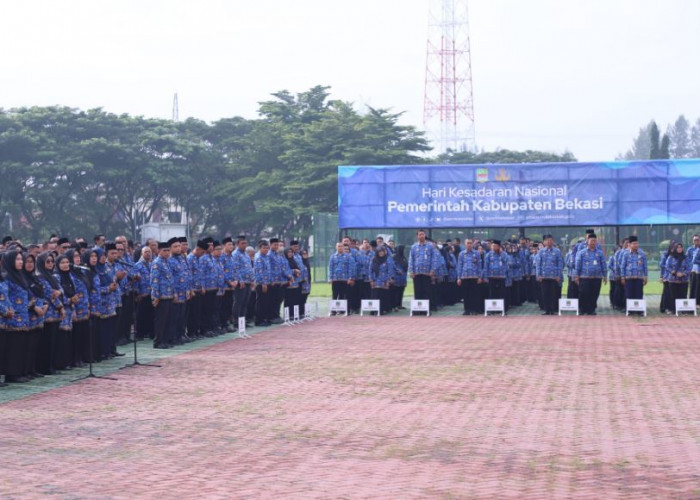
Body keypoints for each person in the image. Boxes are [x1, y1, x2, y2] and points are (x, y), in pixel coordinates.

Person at [574, 233, 607, 315]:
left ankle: (591, 310)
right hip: (584, 277)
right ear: (587, 241)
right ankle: (582, 309)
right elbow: (578, 265)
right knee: (583, 293)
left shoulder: (599, 253)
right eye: (591, 240)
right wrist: (576, 276)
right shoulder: (582, 252)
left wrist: (605, 275)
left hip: (597, 277)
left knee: (594, 293)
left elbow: (603, 264)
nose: (593, 242)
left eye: (595, 241)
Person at [151, 242, 174, 348]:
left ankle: (166, 339)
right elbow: (154, 280)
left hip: (169, 294)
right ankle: (158, 341)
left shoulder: (167, 262)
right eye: (164, 250)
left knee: (168, 319)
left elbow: (171, 278)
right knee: (161, 320)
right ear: (159, 251)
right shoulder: (157, 262)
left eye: (168, 250)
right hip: (161, 295)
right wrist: (155, 296)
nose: (167, 252)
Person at [535, 235, 563, 315]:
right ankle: (546, 310)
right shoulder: (541, 251)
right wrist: (538, 275)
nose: (549, 242)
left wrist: (558, 275)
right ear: (544, 242)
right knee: (545, 293)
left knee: (553, 294)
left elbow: (560, 264)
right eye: (547, 240)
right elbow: (538, 265)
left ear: (553, 241)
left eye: (550, 240)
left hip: (554, 277)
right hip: (544, 276)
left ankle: (552, 309)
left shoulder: (557, 251)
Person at [408, 229, 436, 304]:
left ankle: (426, 309)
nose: (421, 236)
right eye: (419, 234)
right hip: (416, 273)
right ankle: (418, 310)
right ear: (417, 236)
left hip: (427, 273)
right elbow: (411, 259)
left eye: (422, 234)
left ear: (425, 235)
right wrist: (411, 271)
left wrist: (432, 270)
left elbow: (433, 259)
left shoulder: (430, 246)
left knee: (427, 291)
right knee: (417, 291)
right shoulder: (414, 247)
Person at [232, 236, 254, 329]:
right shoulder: (235, 254)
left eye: (245, 243)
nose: (244, 245)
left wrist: (252, 280)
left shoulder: (246, 254)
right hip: (241, 282)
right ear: (238, 244)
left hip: (248, 281)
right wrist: (240, 280)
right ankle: (236, 322)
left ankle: (242, 321)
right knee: (238, 302)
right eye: (242, 243)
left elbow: (249, 267)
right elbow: (235, 268)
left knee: (245, 303)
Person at [132, 245, 154, 341]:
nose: (148, 253)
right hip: (142, 294)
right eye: (146, 252)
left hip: (151, 293)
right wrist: (137, 293)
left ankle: (148, 332)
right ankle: (139, 334)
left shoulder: (152, 264)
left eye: (149, 252)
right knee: (141, 315)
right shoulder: (138, 265)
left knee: (150, 315)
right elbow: (136, 280)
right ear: (142, 254)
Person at [457, 238, 483, 315]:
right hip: (464, 277)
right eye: (468, 243)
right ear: (465, 244)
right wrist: (459, 277)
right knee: (466, 294)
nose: (469, 244)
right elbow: (459, 266)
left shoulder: (477, 253)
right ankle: (467, 309)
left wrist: (480, 277)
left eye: (470, 243)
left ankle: (474, 309)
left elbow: (479, 265)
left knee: (474, 294)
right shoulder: (462, 254)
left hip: (474, 276)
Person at [482, 240, 510, 310]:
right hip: (491, 276)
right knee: (492, 293)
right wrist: (485, 277)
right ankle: (492, 309)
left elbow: (506, 263)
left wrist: (501, 253)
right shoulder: (488, 255)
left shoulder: (504, 254)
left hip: (501, 276)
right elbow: (486, 266)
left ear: (499, 247)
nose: (493, 247)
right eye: (493, 246)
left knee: (502, 293)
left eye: (495, 246)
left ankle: (502, 309)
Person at [620, 235, 647, 304]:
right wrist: (622, 277)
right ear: (629, 244)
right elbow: (623, 266)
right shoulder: (625, 254)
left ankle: (639, 310)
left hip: (639, 277)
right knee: (629, 294)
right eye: (634, 244)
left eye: (637, 243)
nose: (636, 245)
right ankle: (630, 310)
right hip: (629, 278)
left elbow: (645, 266)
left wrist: (645, 276)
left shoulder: (642, 253)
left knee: (639, 294)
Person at [665, 242, 691, 314]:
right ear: (675, 248)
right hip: (673, 280)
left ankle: (683, 310)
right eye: (678, 247)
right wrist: (675, 273)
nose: (679, 249)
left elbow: (689, 267)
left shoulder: (685, 257)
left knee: (683, 295)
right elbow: (667, 266)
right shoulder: (671, 257)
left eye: (681, 247)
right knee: (673, 295)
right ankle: (673, 310)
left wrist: (683, 273)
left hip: (683, 280)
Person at [369, 246, 394, 315]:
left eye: (382, 251)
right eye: (379, 252)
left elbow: (390, 270)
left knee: (383, 295)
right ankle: (374, 310)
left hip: (384, 281)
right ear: (377, 252)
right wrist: (371, 280)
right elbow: (370, 270)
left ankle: (382, 310)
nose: (381, 253)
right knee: (375, 295)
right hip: (375, 280)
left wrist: (388, 280)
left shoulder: (388, 259)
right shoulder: (373, 260)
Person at [254, 240, 272, 326]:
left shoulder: (266, 257)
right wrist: (263, 283)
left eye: (267, 248)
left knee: (266, 302)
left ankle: (264, 318)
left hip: (267, 282)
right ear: (259, 248)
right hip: (261, 283)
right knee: (260, 302)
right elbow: (259, 272)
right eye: (264, 248)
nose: (266, 250)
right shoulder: (259, 258)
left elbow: (268, 270)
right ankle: (259, 320)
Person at [391, 245, 408, 311]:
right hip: (396, 277)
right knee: (396, 292)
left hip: (403, 277)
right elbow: (393, 266)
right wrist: (398, 270)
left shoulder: (403, 257)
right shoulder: (394, 257)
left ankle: (399, 304)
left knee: (401, 291)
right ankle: (395, 305)